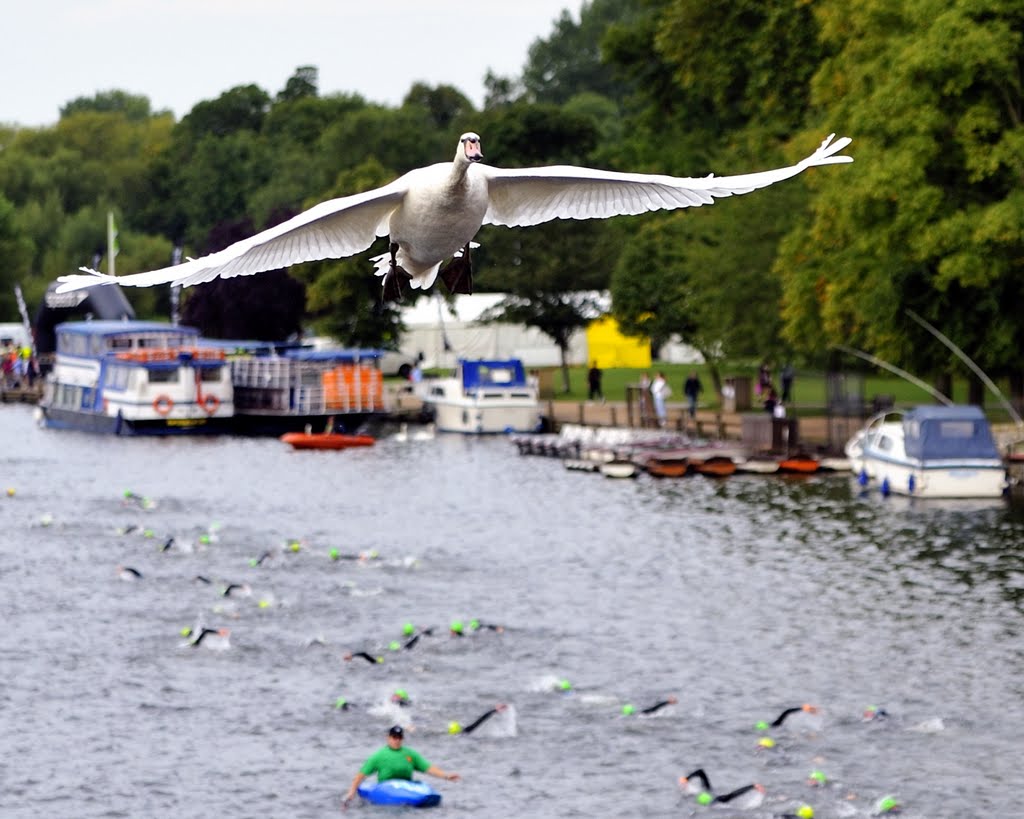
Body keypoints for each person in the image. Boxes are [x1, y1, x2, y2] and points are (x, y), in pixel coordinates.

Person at [342, 725, 460, 807]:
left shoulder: (410, 754)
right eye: (394, 737)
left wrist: (446, 776)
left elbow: (428, 768)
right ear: (388, 738)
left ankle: (422, 799)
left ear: (402, 738)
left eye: (399, 737)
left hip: (406, 786)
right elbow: (361, 775)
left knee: (426, 793)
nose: (397, 740)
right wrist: (352, 791)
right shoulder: (379, 756)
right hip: (387, 787)